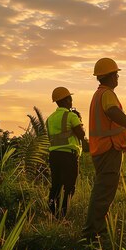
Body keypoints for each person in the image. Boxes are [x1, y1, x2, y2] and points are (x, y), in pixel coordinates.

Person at [82, 58, 126, 240]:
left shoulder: (99, 95)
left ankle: (96, 230)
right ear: (109, 76)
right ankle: (93, 233)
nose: (118, 77)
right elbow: (112, 112)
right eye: (116, 74)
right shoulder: (107, 94)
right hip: (108, 147)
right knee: (103, 192)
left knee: (103, 191)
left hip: (103, 148)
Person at [46, 87, 85, 218]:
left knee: (56, 185)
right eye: (70, 98)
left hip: (54, 156)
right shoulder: (71, 116)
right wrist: (79, 120)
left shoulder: (50, 119)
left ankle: (52, 212)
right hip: (68, 156)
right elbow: (81, 134)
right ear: (67, 100)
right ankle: (62, 215)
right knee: (69, 187)